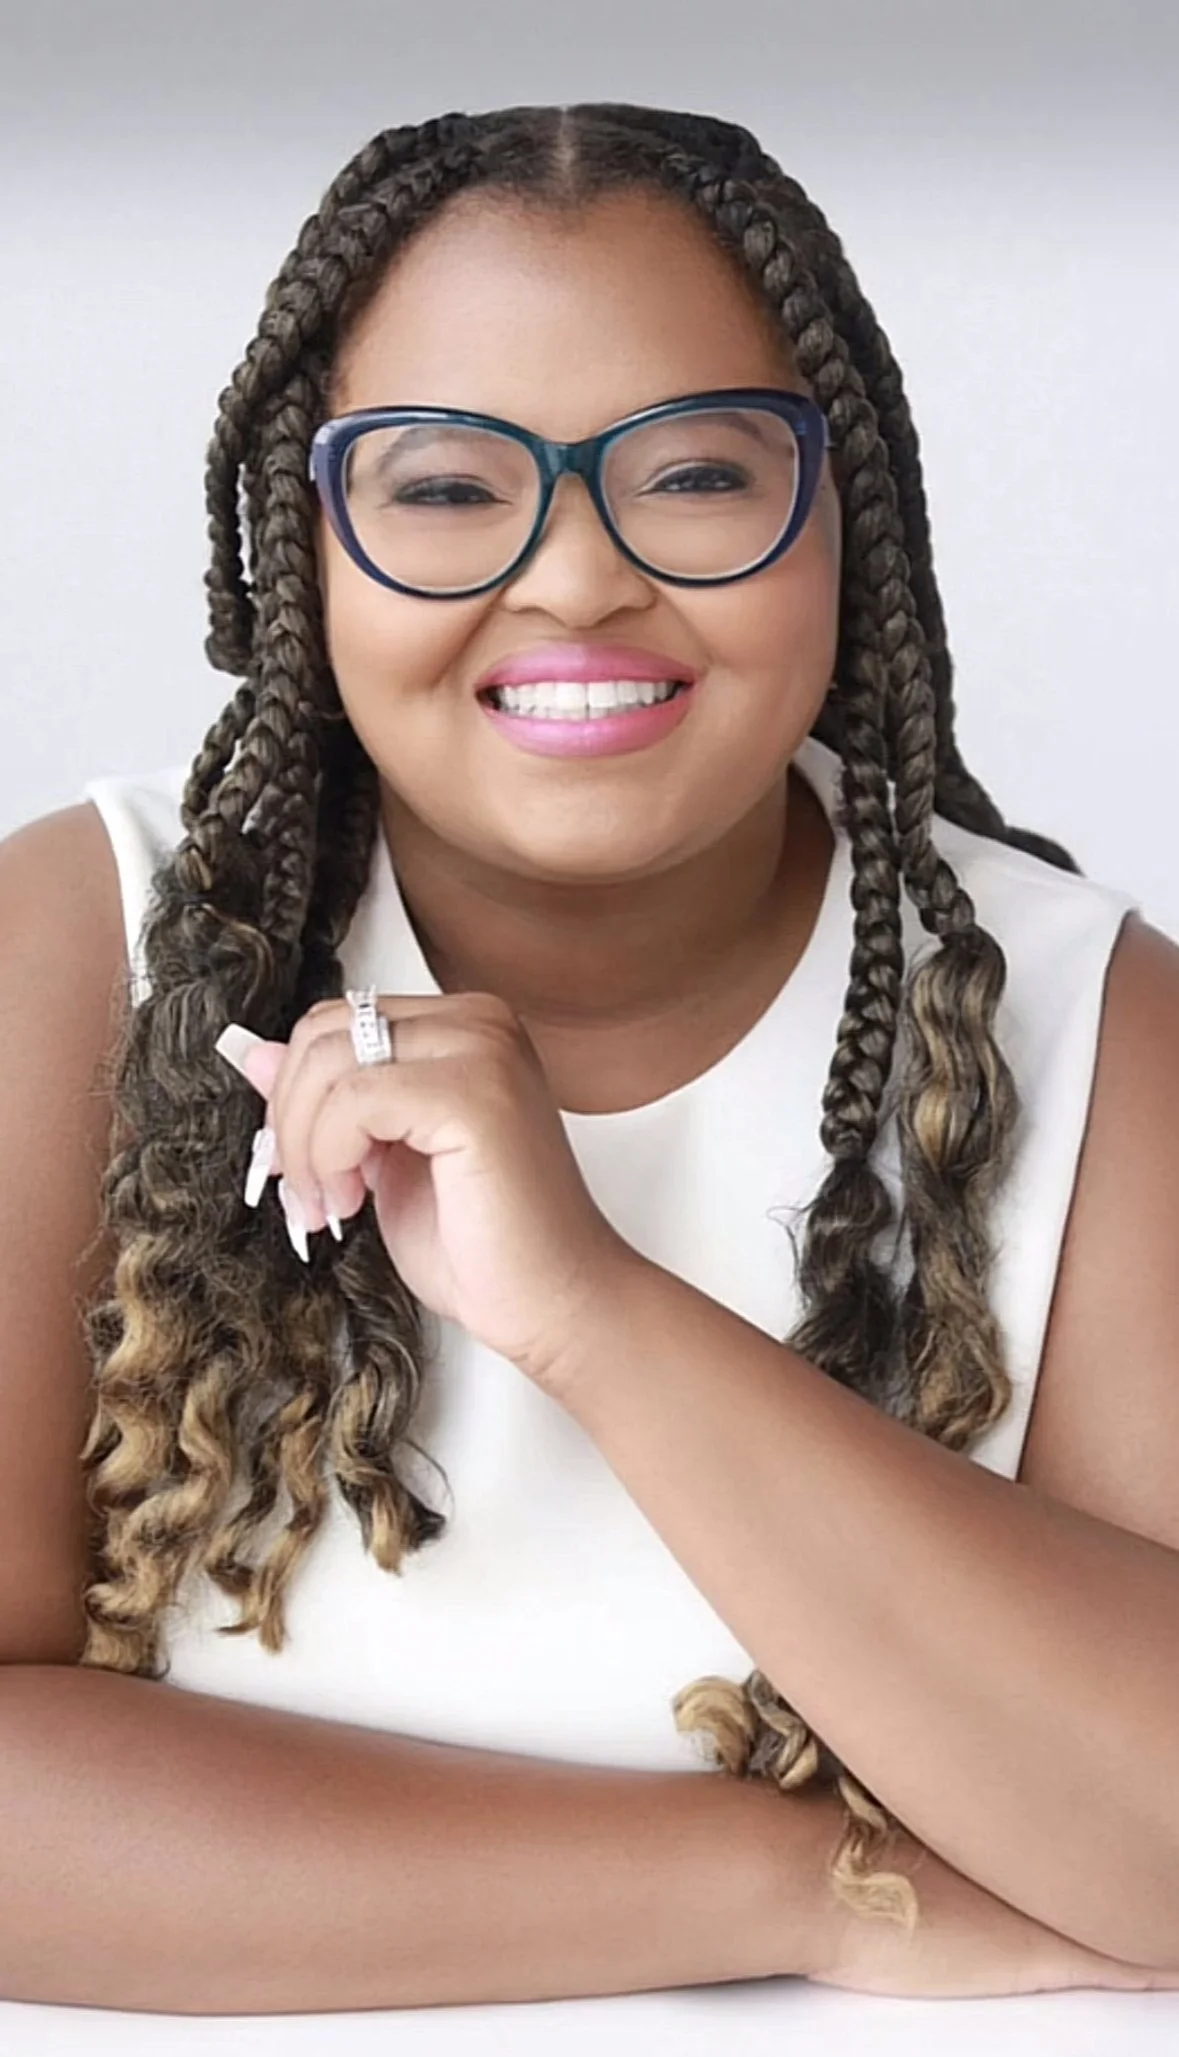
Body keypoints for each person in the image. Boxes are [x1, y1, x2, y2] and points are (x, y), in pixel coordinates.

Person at [1, 100, 1177, 2018]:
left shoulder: (1100, 1029)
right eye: (449, 486)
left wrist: (591, 1312)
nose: (572, 579)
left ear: (839, 517)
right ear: (310, 545)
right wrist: (808, 1884)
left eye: (696, 475)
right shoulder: (74, 953)